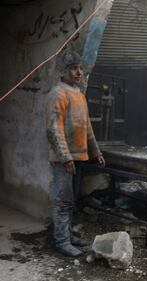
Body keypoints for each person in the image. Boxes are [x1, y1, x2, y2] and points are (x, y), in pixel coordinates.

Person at [46, 50, 105, 257]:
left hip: (79, 158)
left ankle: (67, 235)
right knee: (62, 201)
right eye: (73, 69)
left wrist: (95, 151)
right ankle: (61, 241)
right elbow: (53, 128)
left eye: (80, 68)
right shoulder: (58, 93)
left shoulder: (79, 94)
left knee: (70, 201)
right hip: (65, 160)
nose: (78, 72)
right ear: (63, 71)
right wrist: (65, 157)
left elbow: (87, 127)